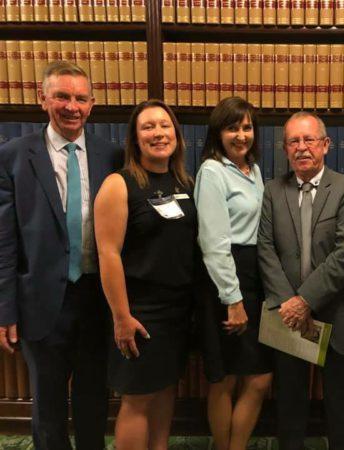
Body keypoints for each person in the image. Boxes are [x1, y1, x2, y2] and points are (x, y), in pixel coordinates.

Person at [0, 61, 121, 450]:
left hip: (97, 300)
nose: (72, 106)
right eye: (62, 96)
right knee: (49, 409)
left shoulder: (111, 155)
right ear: (43, 99)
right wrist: (5, 311)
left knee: (93, 401)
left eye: (80, 98)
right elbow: (4, 240)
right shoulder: (13, 156)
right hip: (40, 301)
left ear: (92, 104)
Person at [257, 111, 344, 450]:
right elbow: (265, 248)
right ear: (285, 148)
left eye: (309, 140)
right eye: (293, 141)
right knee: (289, 402)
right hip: (287, 315)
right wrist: (289, 303)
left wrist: (304, 301)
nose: (301, 148)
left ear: (326, 145)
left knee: (340, 405)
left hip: (338, 314)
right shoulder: (273, 191)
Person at [94, 99, 197, 449]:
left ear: (177, 135)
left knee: (166, 389)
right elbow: (108, 254)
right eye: (148, 127)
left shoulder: (185, 181)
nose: (158, 133)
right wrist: (121, 317)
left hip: (177, 311)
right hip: (140, 311)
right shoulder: (118, 184)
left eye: (165, 126)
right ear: (135, 139)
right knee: (137, 399)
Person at [194, 96, 272, 450]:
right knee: (224, 378)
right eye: (232, 128)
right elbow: (213, 242)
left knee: (257, 378)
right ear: (218, 133)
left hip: (254, 276)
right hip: (226, 279)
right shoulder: (212, 171)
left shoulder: (253, 170)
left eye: (246, 127)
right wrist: (233, 298)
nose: (241, 135)